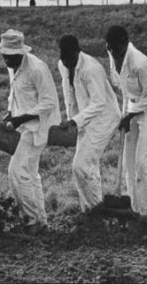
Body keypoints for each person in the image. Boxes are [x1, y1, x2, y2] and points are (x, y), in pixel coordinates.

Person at [0, 29, 59, 233]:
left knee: (17, 171)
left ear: (21, 52)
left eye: (10, 56)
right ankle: (40, 221)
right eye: (4, 55)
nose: (7, 59)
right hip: (22, 126)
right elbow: (15, 93)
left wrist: (21, 118)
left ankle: (32, 221)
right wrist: (9, 113)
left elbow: (49, 102)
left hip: (36, 128)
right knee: (31, 175)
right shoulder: (13, 66)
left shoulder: (37, 68)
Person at [105, 25, 147, 215]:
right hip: (132, 105)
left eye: (117, 49)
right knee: (128, 163)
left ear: (125, 43)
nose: (114, 54)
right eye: (110, 49)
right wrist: (128, 113)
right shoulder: (113, 55)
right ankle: (136, 209)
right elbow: (122, 87)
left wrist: (130, 115)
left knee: (144, 161)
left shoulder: (140, 63)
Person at [56, 34, 121, 211]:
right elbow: (69, 94)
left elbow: (99, 102)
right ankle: (90, 209)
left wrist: (75, 122)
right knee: (86, 166)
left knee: (81, 165)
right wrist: (71, 122)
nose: (67, 61)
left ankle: (96, 210)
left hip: (104, 117)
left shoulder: (91, 68)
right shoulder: (63, 65)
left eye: (70, 57)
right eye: (63, 57)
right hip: (84, 119)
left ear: (78, 52)